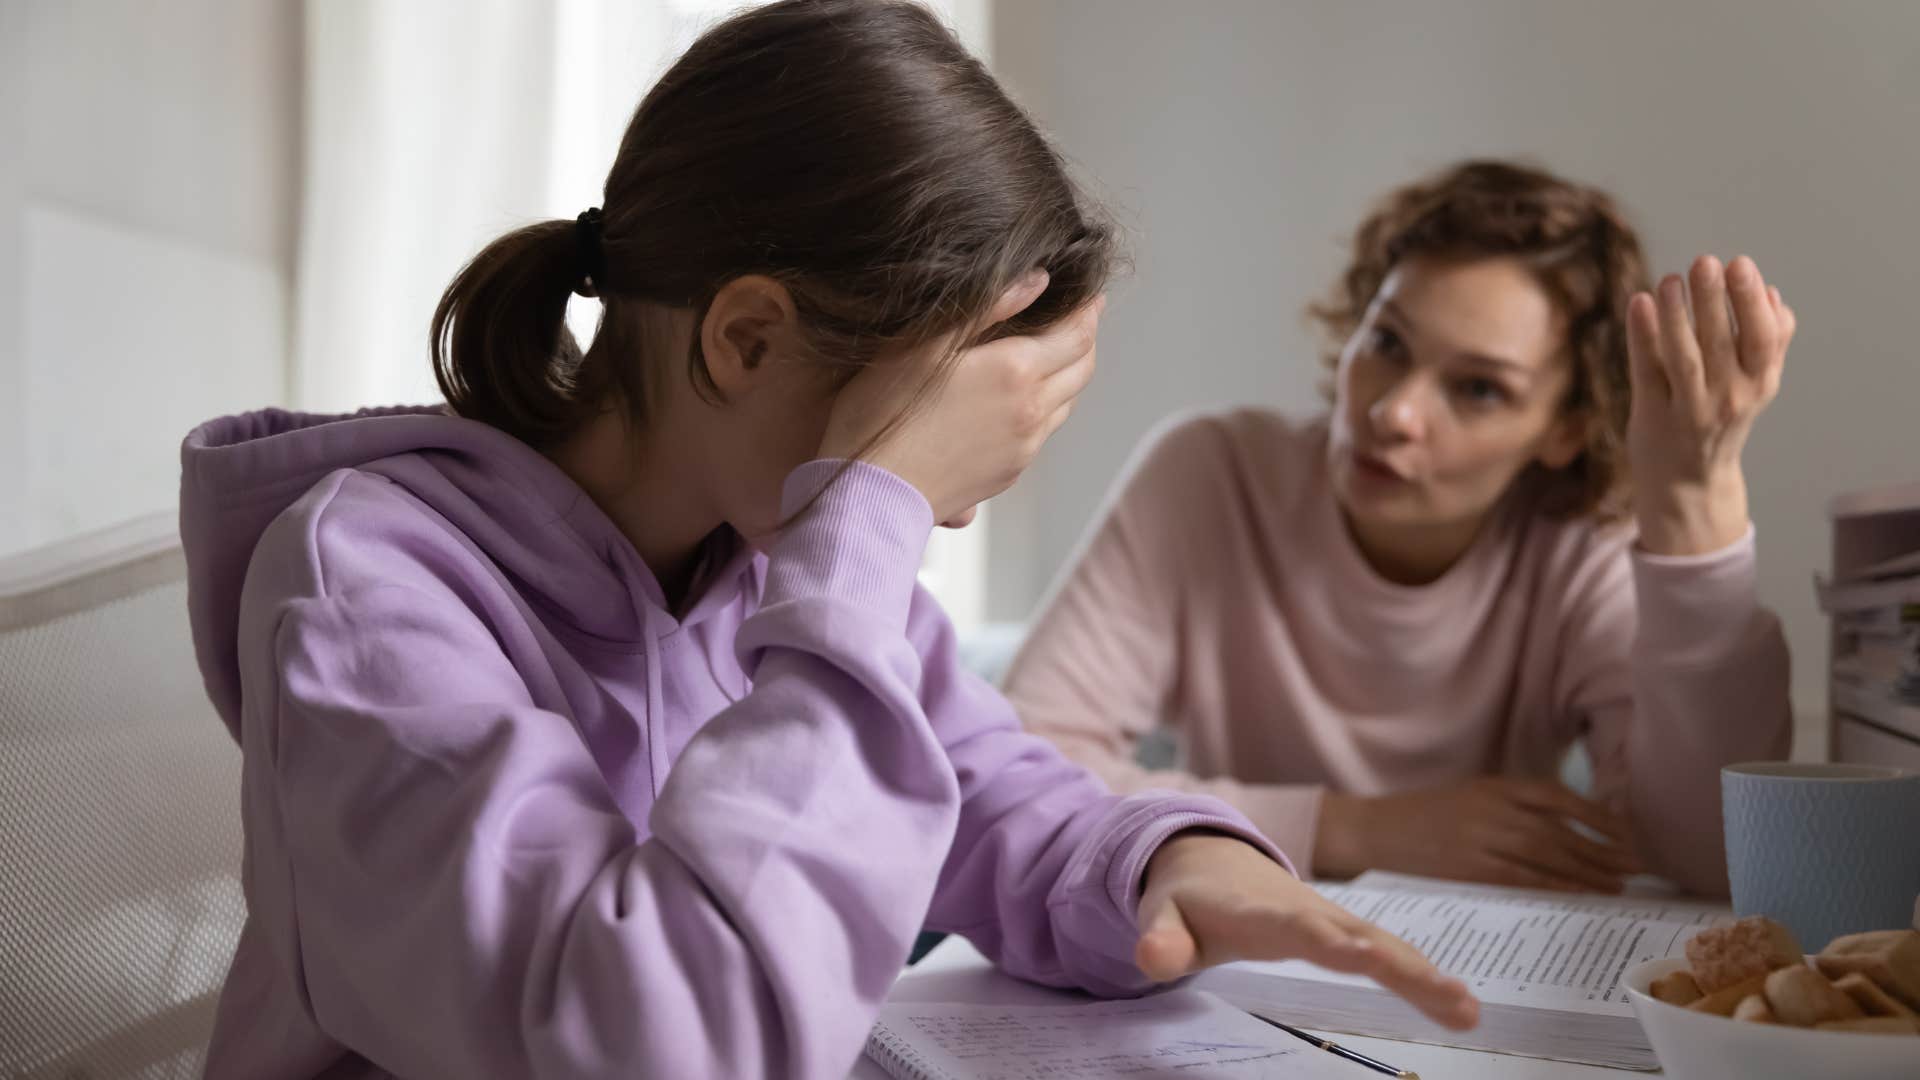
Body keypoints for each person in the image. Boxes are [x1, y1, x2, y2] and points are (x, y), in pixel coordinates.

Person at [178, 4, 1476, 1077]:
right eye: (932, 449)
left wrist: (1169, 865)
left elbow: (989, 796)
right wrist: (868, 518)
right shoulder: (367, 592)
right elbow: (660, 1044)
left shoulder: (768, 558)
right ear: (745, 340)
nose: (951, 509)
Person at [1005, 159, 1796, 900]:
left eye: (1479, 389)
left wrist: (1694, 504)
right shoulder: (1212, 475)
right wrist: (1361, 829)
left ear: (1565, 430)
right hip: (1228, 953)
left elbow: (1711, 859)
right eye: (1386, 343)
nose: (1394, 413)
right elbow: (1019, 769)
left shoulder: (1582, 545)